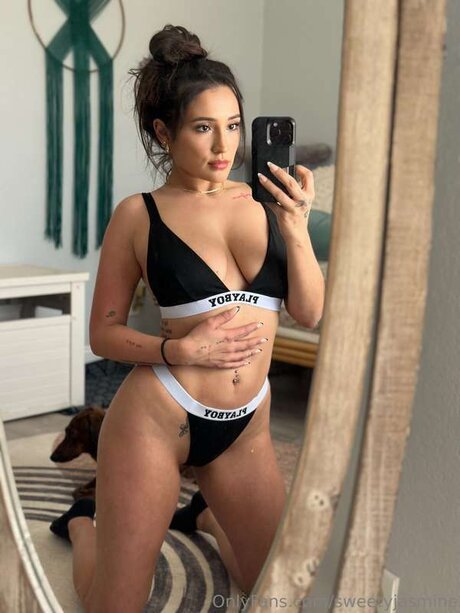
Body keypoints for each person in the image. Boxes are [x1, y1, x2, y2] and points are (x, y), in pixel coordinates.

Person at [49, 24, 325, 612]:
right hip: (157, 418)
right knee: (114, 606)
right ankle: (81, 523)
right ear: (163, 132)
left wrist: (297, 228)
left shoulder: (266, 203)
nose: (224, 146)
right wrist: (177, 350)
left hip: (244, 426)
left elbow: (308, 312)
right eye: (203, 128)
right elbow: (102, 333)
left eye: (233, 125)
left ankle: (203, 516)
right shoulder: (138, 215)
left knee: (280, 591)